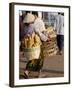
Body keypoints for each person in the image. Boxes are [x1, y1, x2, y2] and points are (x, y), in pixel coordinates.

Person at [21, 13, 35, 78]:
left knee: (30, 58)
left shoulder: (24, 26)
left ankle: (28, 71)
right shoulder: (32, 26)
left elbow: (23, 35)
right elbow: (33, 34)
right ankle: (26, 71)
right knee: (32, 58)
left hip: (25, 43)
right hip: (31, 43)